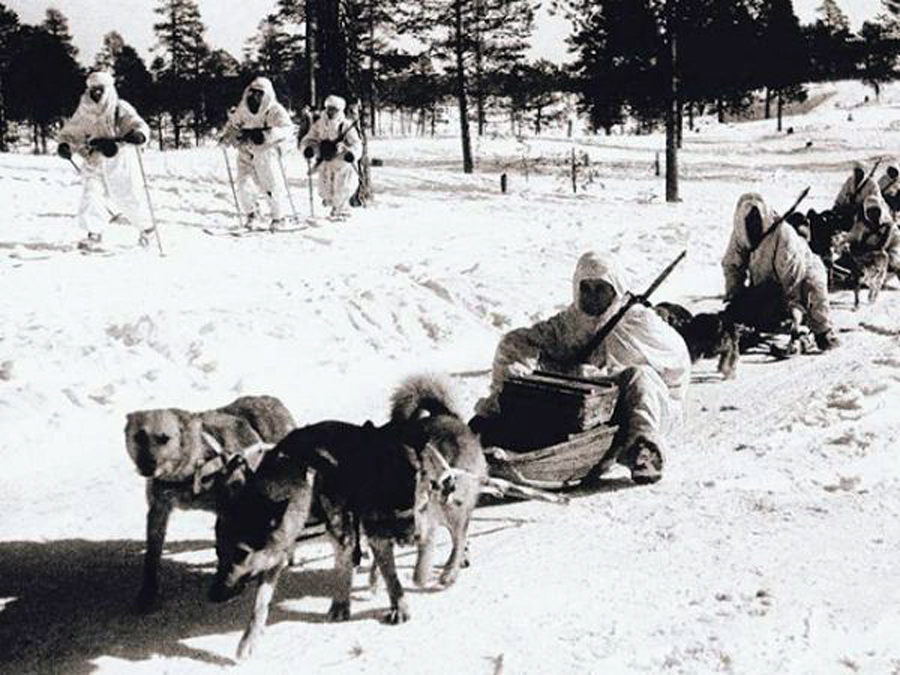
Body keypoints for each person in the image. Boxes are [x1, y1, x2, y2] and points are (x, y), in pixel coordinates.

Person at [473, 251, 691, 485]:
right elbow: (519, 341)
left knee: (640, 376)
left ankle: (643, 450)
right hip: (582, 406)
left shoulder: (640, 321)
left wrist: (599, 376)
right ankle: (493, 424)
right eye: (586, 288)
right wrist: (517, 375)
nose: (592, 296)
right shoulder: (570, 323)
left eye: (601, 289)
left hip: (638, 406)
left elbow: (676, 367)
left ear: (615, 289)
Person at [722, 193, 839, 352]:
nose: (753, 223)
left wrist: (794, 315)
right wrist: (734, 297)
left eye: (756, 217)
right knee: (748, 306)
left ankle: (820, 333)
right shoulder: (741, 233)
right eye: (749, 218)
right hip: (767, 281)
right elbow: (732, 265)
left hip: (803, 273)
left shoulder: (783, 235)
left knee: (813, 300)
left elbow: (793, 281)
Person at [56, 71, 152, 252]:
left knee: (127, 195)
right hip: (94, 158)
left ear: (108, 89)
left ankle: (147, 229)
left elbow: (138, 124)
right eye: (93, 89)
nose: (97, 93)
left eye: (100, 89)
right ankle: (94, 234)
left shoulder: (119, 107)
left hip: (119, 158)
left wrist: (139, 135)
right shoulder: (84, 110)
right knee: (91, 195)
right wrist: (65, 145)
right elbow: (72, 132)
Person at [220, 76, 295, 230]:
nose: (255, 96)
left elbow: (288, 129)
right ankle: (253, 214)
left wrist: (266, 134)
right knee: (243, 184)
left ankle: (279, 217)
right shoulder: (243, 109)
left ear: (267, 94)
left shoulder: (275, 110)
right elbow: (233, 125)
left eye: (260, 93)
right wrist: (227, 137)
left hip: (266, 152)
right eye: (253, 92)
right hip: (246, 150)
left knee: (271, 184)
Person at [299, 95, 362, 221]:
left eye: (334, 109)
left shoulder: (345, 125)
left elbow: (356, 144)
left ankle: (342, 211)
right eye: (329, 108)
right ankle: (333, 208)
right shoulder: (319, 124)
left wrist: (352, 154)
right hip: (325, 161)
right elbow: (309, 139)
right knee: (326, 188)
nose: (331, 112)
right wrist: (308, 149)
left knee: (342, 187)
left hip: (341, 162)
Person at [845, 194, 900, 280]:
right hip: (861, 259)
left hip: (881, 266)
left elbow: (896, 250)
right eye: (869, 212)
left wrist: (890, 260)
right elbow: (850, 239)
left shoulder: (891, 229)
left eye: (875, 211)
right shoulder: (862, 225)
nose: (873, 215)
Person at [833, 161, 879, 228]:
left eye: (860, 171)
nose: (858, 173)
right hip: (849, 206)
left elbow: (875, 199)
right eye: (856, 171)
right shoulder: (850, 180)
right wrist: (837, 204)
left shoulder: (871, 184)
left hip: (863, 210)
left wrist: (862, 204)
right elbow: (842, 193)